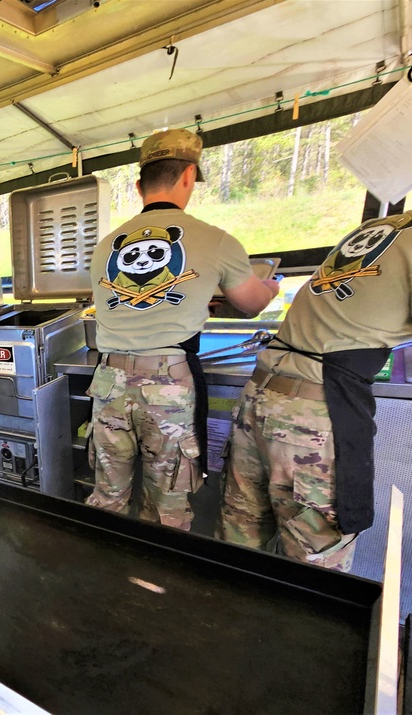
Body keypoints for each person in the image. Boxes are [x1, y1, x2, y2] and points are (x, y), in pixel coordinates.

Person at [218, 160, 412, 571]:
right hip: (311, 416)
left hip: (259, 396)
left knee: (239, 547)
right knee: (316, 567)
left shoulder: (381, 228)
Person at [87, 128, 279, 529]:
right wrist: (270, 287)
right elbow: (252, 304)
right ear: (189, 176)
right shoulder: (215, 240)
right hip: (167, 386)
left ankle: (105, 574)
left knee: (108, 496)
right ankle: (157, 584)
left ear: (140, 185)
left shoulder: (106, 244)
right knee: (167, 503)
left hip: (107, 382)